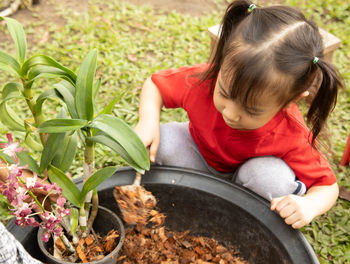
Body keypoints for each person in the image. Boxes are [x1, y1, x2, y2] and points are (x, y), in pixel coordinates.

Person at [134, 0, 344, 229]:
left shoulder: (290, 132)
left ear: (289, 101)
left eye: (251, 109)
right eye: (224, 93)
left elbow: (327, 187)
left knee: (272, 179)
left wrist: (309, 206)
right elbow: (155, 85)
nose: (231, 114)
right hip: (198, 156)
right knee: (162, 143)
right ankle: (188, 196)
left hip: (250, 184)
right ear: (222, 60)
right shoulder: (202, 81)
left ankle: (244, 218)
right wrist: (148, 121)